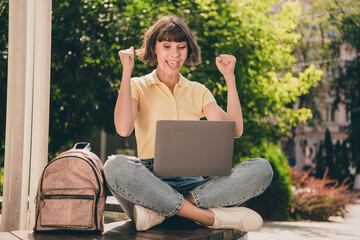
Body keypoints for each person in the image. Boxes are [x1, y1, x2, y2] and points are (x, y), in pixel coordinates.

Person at [104, 15, 273, 232]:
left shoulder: (198, 90)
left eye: (181, 47)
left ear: (188, 50)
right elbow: (124, 128)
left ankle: (161, 211)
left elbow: (235, 130)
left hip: (195, 184)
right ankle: (207, 217)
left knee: (261, 169)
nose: (174, 54)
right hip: (151, 182)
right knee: (115, 166)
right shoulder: (138, 85)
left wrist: (230, 78)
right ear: (154, 48)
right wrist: (126, 71)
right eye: (166, 46)